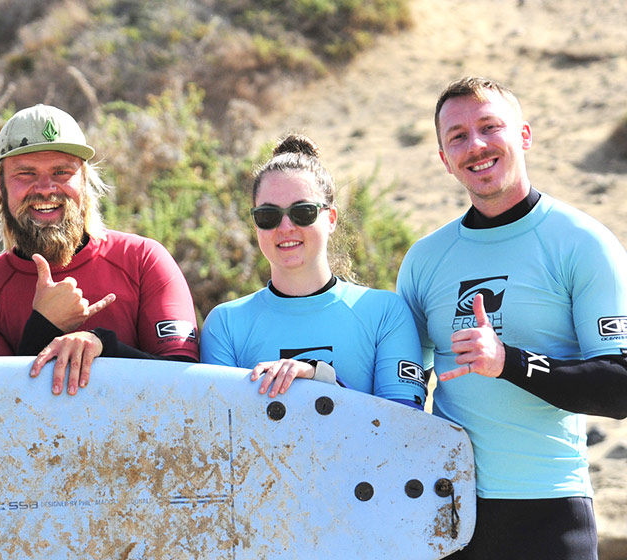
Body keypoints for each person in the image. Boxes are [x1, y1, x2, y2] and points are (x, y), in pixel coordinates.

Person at [396, 76, 627, 559]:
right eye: (457, 136)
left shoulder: (583, 243)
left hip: (549, 513)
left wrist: (509, 362)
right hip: (446, 509)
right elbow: (401, 390)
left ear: (523, 135)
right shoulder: (425, 259)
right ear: (444, 158)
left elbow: (619, 386)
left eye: (489, 126)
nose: (475, 145)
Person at [0, 104, 199, 394]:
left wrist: (103, 345)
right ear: (0, 184)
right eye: (26, 173)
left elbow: (185, 386)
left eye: (61, 171)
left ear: (84, 179)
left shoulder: (143, 261)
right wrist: (43, 327)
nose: (45, 188)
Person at [200, 134, 427, 409]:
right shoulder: (225, 325)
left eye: (303, 212)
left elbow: (405, 427)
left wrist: (322, 379)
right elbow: (222, 434)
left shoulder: (385, 313)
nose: (285, 228)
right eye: (268, 216)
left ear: (330, 218)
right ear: (255, 224)